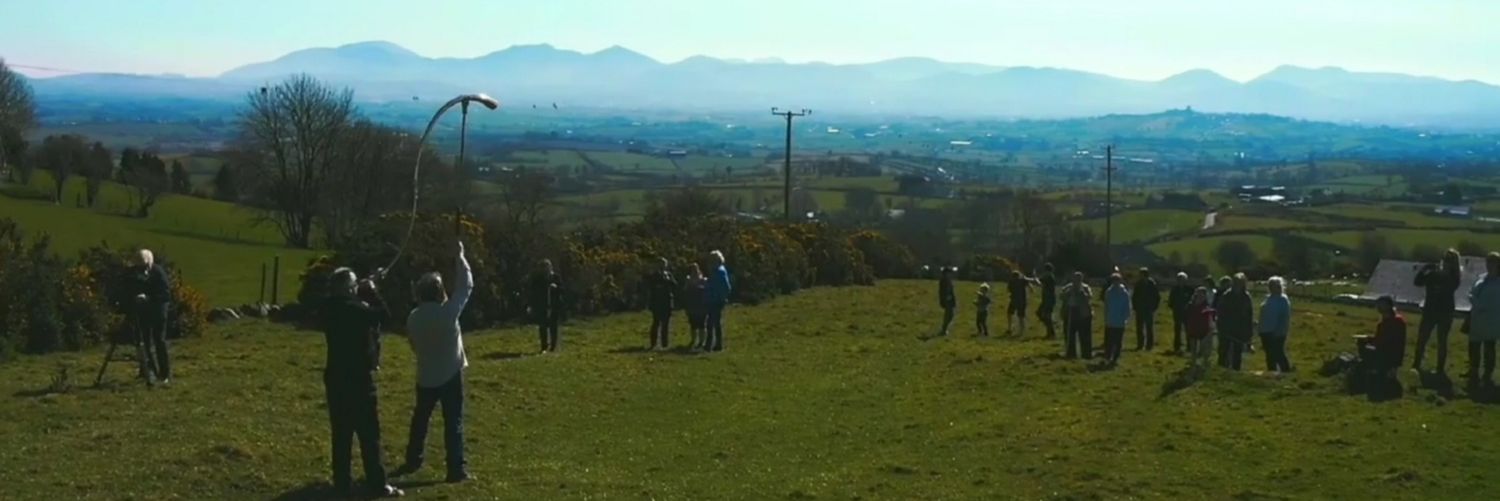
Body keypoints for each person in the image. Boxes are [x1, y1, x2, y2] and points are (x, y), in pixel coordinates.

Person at [320, 267, 403, 498]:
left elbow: (350, 302)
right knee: (369, 434)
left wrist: (362, 286)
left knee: (341, 434)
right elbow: (384, 316)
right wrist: (372, 291)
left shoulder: (328, 308)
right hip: (358, 380)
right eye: (354, 284)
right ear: (348, 289)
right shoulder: (355, 310)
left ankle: (341, 484)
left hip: (335, 378)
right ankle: (377, 483)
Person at [398, 241, 474, 483]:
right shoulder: (448, 313)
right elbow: (466, 286)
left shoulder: (413, 317)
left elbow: (413, 345)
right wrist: (460, 257)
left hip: (425, 375)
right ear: (440, 292)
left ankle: (413, 459)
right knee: (453, 422)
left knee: (420, 420)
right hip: (450, 373)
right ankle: (455, 469)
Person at [125, 249, 173, 385]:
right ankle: (148, 371)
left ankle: (164, 374)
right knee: (143, 341)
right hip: (144, 311)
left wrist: (148, 298)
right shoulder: (135, 273)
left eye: (144, 266)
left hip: (158, 309)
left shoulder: (158, 273)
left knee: (159, 340)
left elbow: (165, 295)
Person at [1413, 249, 1462, 374]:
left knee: (1441, 340)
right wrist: (1425, 269)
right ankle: (1416, 363)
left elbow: (1447, 287)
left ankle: (1440, 368)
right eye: (1445, 259)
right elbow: (1417, 282)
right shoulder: (1434, 274)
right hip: (1430, 310)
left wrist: (1436, 274)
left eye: (1449, 261)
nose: (1445, 263)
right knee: (1422, 338)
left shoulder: (1454, 277)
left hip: (1445, 312)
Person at [1465, 252, 1500, 390]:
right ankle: (1473, 371)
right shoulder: (1481, 278)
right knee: (1474, 346)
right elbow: (1472, 292)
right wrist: (1472, 298)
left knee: (1489, 348)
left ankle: (1487, 374)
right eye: (1488, 262)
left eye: (1492, 263)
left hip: (1492, 320)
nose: (1489, 265)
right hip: (1477, 319)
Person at [1359, 296, 1407, 389]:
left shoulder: (1394, 322)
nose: (1378, 307)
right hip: (1391, 354)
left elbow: (1384, 341)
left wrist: (1369, 341)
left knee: (1363, 347)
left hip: (1388, 355)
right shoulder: (1393, 321)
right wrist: (1369, 339)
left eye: (1381, 305)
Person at [1217, 273, 1254, 371]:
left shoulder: (1246, 297)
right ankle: (1221, 369)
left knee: (1237, 352)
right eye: (1236, 283)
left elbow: (1249, 315)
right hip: (1226, 328)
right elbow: (1220, 312)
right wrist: (1221, 326)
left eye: (1240, 283)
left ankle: (1236, 370)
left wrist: (1249, 333)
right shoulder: (1227, 295)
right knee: (1223, 350)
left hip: (1240, 329)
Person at [1259, 276, 1293, 373]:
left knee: (1278, 353)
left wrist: (1279, 331)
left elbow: (1284, 317)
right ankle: (1272, 372)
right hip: (1265, 331)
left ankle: (1285, 371)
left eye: (1274, 286)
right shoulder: (1268, 299)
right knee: (1269, 354)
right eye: (1270, 286)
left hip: (1277, 332)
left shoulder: (1282, 300)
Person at [529, 259, 563, 353]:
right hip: (542, 305)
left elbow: (562, 289)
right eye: (543, 268)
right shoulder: (537, 279)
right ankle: (544, 346)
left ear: (550, 267)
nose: (545, 270)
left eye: (547, 267)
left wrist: (556, 287)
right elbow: (533, 292)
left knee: (553, 326)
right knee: (542, 326)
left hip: (554, 305)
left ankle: (553, 346)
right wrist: (532, 305)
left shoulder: (556, 277)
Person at [646, 257, 678, 350]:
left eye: (664, 264)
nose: (662, 266)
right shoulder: (654, 275)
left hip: (667, 301)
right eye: (660, 264)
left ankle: (665, 343)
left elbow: (675, 285)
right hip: (657, 302)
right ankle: (653, 343)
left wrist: (668, 280)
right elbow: (652, 286)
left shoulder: (669, 274)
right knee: (656, 322)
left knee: (666, 323)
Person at [704, 250, 733, 352]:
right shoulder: (717, 271)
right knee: (713, 322)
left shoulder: (719, 272)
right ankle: (715, 344)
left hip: (716, 300)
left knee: (712, 322)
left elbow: (724, 286)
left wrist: (722, 297)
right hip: (713, 299)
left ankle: (712, 344)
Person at [1061, 272, 1094, 359]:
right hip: (1070, 312)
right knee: (1069, 334)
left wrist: (1082, 293)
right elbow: (1062, 296)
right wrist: (1068, 293)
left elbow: (1089, 298)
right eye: (1075, 278)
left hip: (1083, 314)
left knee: (1085, 335)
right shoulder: (1068, 287)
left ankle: (1086, 354)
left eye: (1079, 279)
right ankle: (1071, 353)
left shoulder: (1085, 287)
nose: (1077, 281)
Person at [1184, 287, 1217, 369]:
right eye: (1198, 294)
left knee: (1204, 348)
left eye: (1202, 295)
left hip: (1203, 330)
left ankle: (1204, 363)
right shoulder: (1190, 305)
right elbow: (1186, 316)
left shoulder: (1207, 307)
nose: (1200, 296)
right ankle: (1193, 363)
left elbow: (1211, 319)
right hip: (1193, 328)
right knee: (1193, 348)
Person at [1104, 273, 1131, 365]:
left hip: (1120, 321)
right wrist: (1106, 317)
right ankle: (1108, 356)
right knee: (1109, 340)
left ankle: (1115, 357)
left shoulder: (1124, 293)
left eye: (1117, 281)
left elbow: (1127, 306)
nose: (1115, 283)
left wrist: (1125, 317)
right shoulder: (1109, 292)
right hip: (1110, 320)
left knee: (1118, 340)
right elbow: (1106, 306)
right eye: (1114, 281)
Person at [1132, 267, 1161, 351]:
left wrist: (1154, 307)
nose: (1140, 276)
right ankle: (1140, 344)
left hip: (1148, 309)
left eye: (1141, 274)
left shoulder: (1152, 284)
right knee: (1139, 328)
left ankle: (1149, 345)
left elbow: (1157, 297)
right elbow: (1134, 296)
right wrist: (1135, 306)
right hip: (1140, 309)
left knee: (1149, 328)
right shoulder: (1138, 284)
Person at [1168, 272, 1195, 354]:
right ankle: (1177, 346)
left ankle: (1189, 347)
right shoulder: (1174, 289)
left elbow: (1193, 300)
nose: (1180, 281)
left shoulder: (1190, 290)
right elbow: (1171, 300)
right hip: (1177, 312)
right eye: (1179, 279)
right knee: (1177, 329)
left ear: (1185, 280)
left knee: (1188, 330)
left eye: (1182, 279)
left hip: (1188, 313)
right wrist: (1173, 307)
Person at [683, 263, 708, 350]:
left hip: (701, 304)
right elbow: (685, 291)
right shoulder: (688, 279)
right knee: (693, 325)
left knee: (702, 324)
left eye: (695, 269)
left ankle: (701, 341)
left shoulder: (703, 279)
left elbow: (706, 290)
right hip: (692, 305)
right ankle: (693, 340)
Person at [1007, 271, 1039, 336]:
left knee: (1010, 313)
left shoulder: (1012, 281)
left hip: (1014, 300)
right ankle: (1021, 330)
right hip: (1021, 301)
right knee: (1020, 316)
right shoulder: (1022, 280)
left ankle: (1010, 328)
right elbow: (1030, 284)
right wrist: (1031, 289)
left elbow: (1008, 290)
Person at [1036, 264, 1058, 339]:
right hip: (1046, 299)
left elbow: (1039, 282)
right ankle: (1050, 330)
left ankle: (1051, 333)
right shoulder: (1049, 275)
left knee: (1046, 316)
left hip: (1049, 299)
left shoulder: (1048, 276)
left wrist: (1035, 278)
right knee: (1040, 313)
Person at [937, 266, 957, 337]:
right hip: (947, 300)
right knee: (949, 315)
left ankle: (944, 328)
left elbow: (951, 291)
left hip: (950, 300)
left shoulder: (949, 281)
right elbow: (942, 292)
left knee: (950, 315)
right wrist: (943, 299)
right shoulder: (943, 281)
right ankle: (944, 329)